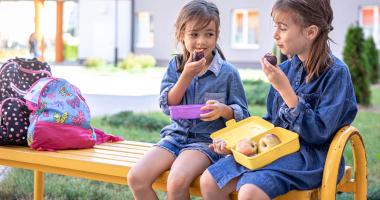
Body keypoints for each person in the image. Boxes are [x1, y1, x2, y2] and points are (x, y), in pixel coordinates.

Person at [200, 0, 358, 199]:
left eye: (283, 28)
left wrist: (286, 90)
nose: (275, 34)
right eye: (275, 26)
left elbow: (319, 134)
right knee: (210, 180)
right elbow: (271, 121)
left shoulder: (336, 74)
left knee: (250, 191)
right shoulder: (284, 70)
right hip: (274, 148)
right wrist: (237, 142)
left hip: (310, 157)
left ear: (311, 32)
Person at [127, 0, 250, 199]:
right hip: (175, 136)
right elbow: (167, 106)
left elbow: (244, 114)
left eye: (209, 34)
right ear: (181, 35)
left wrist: (224, 110)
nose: (201, 41)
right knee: (136, 177)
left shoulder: (228, 73)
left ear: (216, 35)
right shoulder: (175, 66)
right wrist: (185, 76)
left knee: (176, 180)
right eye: (194, 34)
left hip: (205, 143)